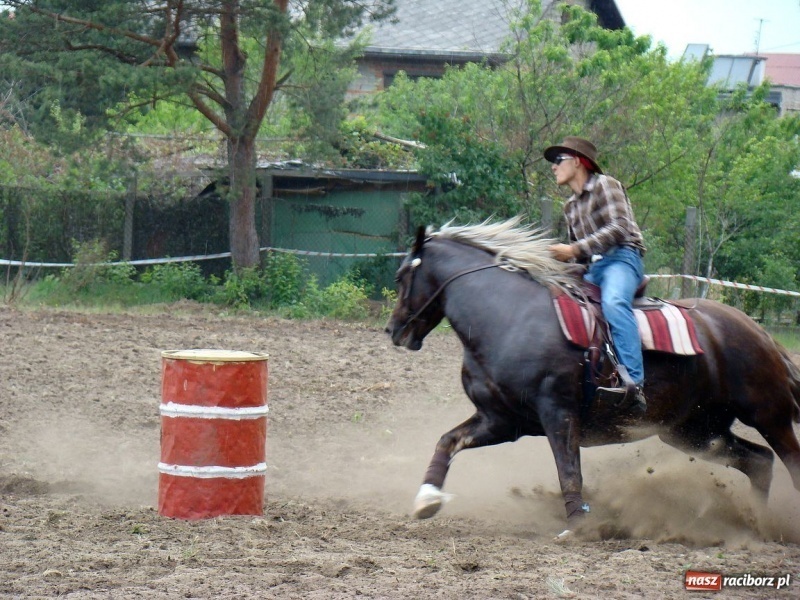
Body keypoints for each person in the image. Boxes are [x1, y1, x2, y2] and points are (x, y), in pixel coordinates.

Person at [543, 136, 647, 415]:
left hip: (623, 258)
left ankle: (635, 386)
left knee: (613, 303)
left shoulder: (605, 184)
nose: (553, 167)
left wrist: (573, 249)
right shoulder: (570, 207)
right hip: (594, 269)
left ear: (577, 161)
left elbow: (619, 229)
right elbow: (580, 257)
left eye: (558, 161)